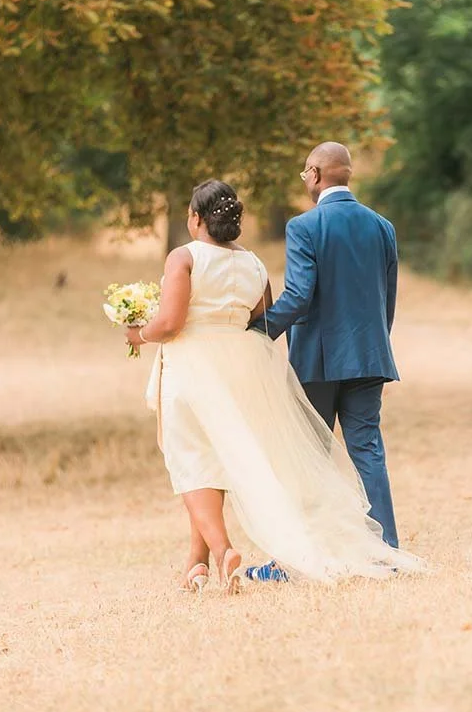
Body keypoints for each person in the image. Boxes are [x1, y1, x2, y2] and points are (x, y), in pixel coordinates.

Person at [125, 178, 422, 593]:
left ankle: (222, 547)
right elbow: (262, 310)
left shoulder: (184, 257)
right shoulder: (253, 263)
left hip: (195, 364)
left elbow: (173, 322)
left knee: (191, 459)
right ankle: (198, 560)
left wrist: (137, 333)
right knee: (222, 458)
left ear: (195, 218)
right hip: (247, 364)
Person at [245, 142, 402, 583]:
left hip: (317, 359)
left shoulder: (304, 226)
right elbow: (385, 299)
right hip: (370, 355)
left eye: (304, 174)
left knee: (307, 457)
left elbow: (297, 295)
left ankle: (295, 560)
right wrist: (373, 344)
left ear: (315, 174)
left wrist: (256, 331)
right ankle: (386, 551)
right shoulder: (382, 227)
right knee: (368, 451)